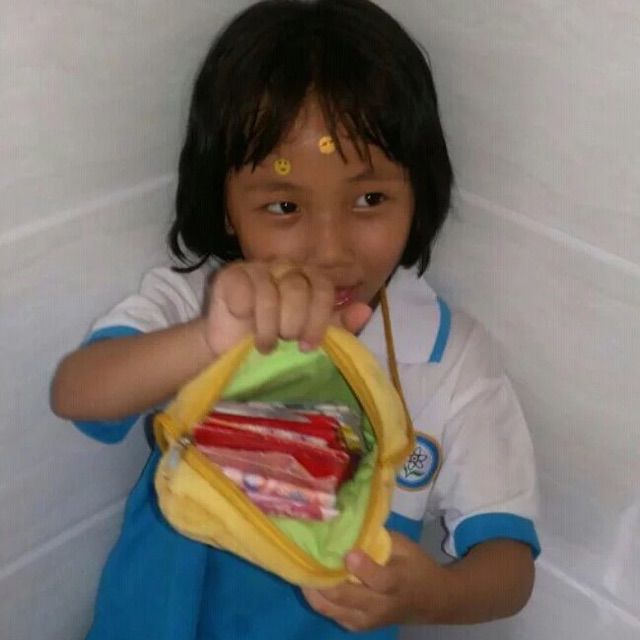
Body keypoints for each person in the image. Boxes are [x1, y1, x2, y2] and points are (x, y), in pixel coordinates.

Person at [51, 1, 540, 638]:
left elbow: (509, 564)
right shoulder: (204, 301)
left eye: (370, 198)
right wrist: (210, 340)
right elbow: (79, 395)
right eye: (284, 206)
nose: (329, 250)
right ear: (226, 209)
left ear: (419, 191)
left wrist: (434, 594)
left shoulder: (450, 362)